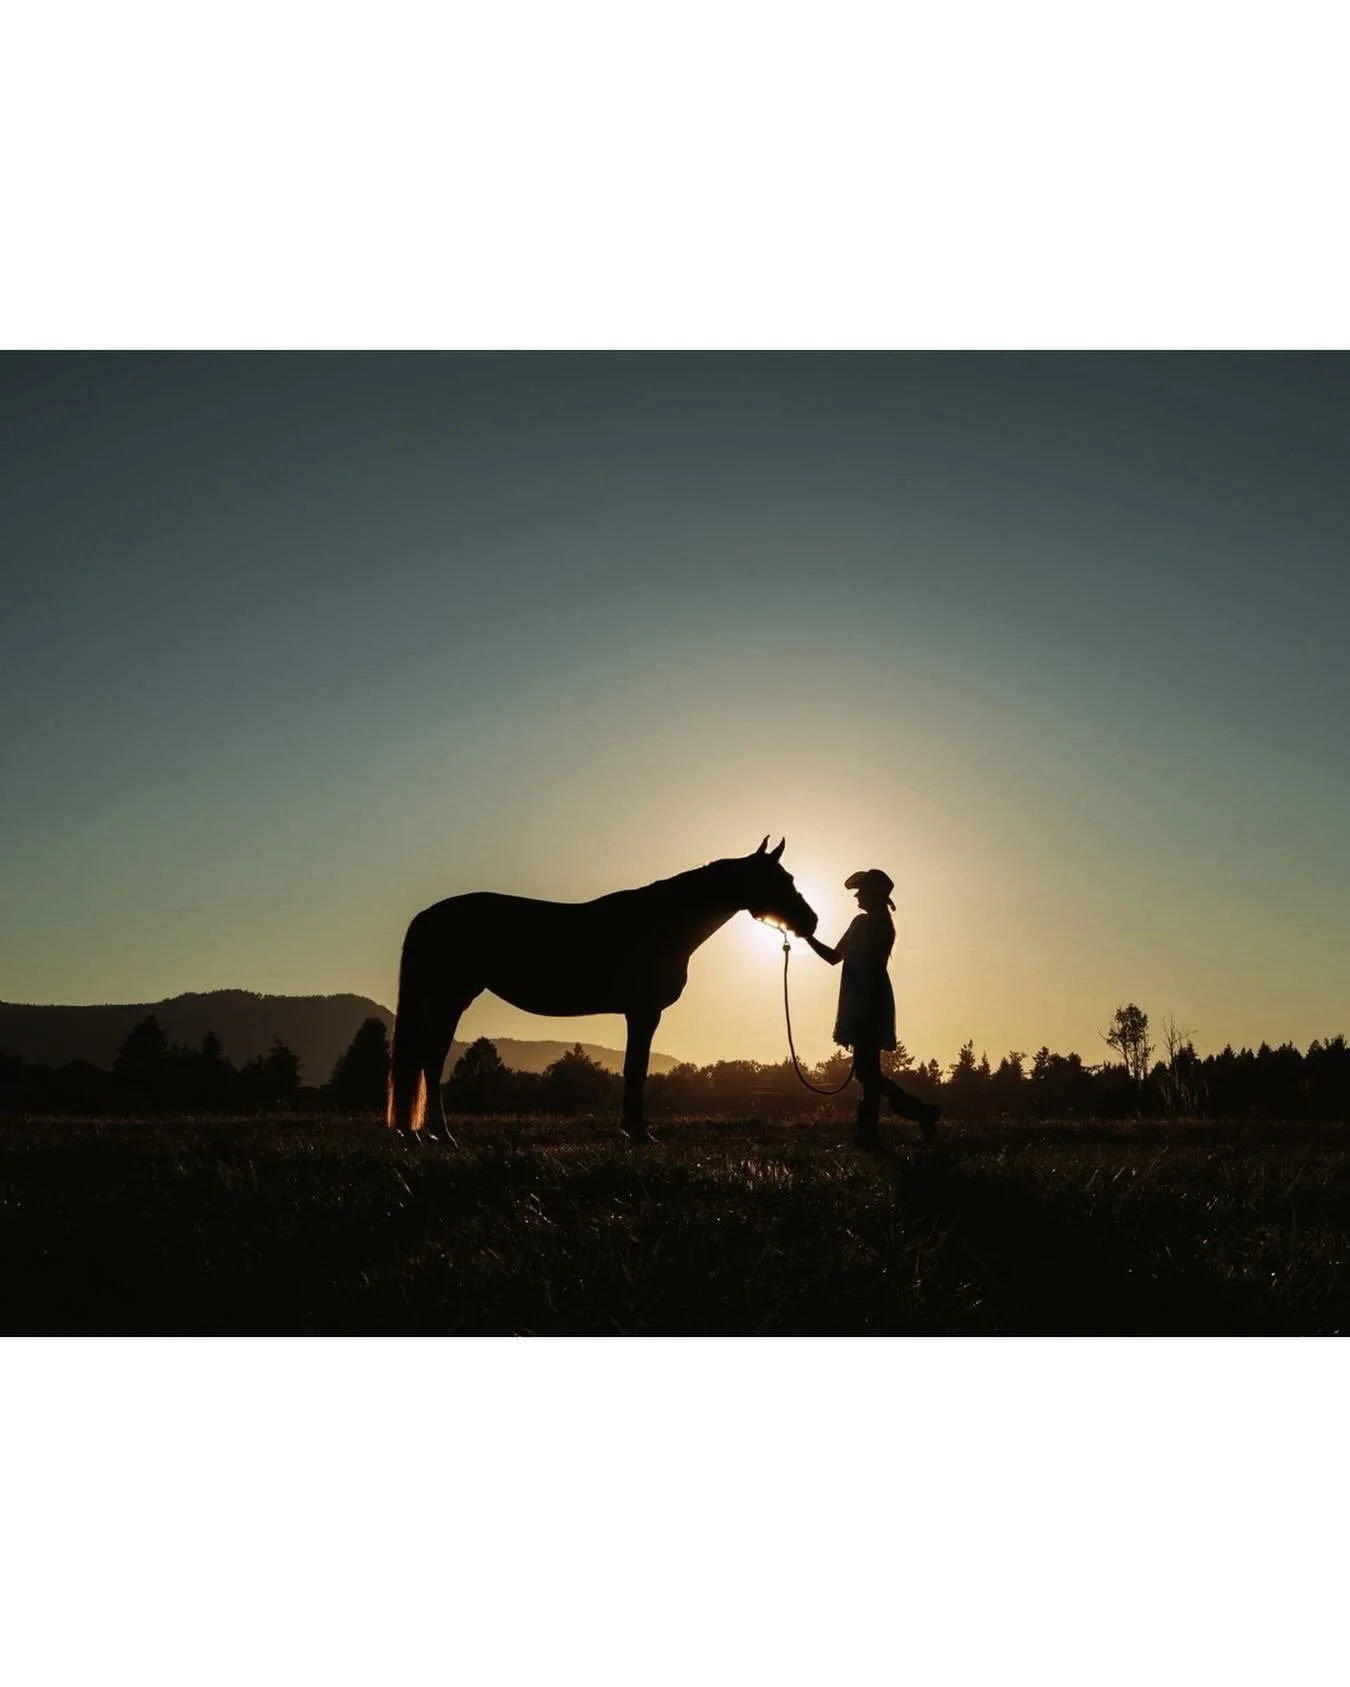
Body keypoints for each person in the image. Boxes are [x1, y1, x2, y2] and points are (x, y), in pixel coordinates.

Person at [805, 868, 941, 1151]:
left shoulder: (867, 924)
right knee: (869, 1073)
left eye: (862, 891)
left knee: (868, 1074)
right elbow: (845, 960)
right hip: (870, 997)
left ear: (872, 895)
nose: (856, 895)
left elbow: (835, 958)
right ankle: (870, 1135)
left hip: (866, 1000)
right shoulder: (881, 925)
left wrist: (806, 937)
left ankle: (918, 1114)